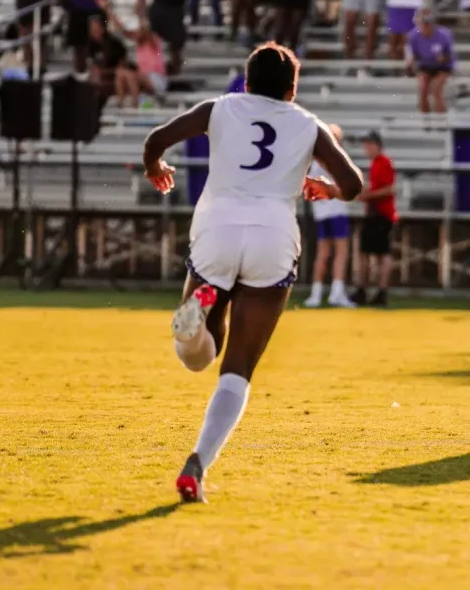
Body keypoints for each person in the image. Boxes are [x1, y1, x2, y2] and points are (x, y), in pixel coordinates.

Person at [141, 42, 364, 503]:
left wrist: (155, 168)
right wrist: (328, 190)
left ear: (246, 82)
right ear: (292, 90)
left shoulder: (219, 108)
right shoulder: (307, 123)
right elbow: (354, 183)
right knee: (237, 367)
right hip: (273, 237)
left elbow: (156, 139)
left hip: (217, 228)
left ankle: (195, 321)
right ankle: (197, 464)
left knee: (195, 356)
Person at [303, 129, 356, 308]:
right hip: (336, 210)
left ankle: (316, 294)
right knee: (340, 252)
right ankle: (336, 292)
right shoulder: (335, 161)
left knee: (323, 253)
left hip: (320, 212)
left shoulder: (314, 162)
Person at [352, 131, 396, 307]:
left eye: (369, 144)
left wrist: (368, 195)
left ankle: (378, 290)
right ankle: (367, 289)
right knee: (370, 253)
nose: (366, 148)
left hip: (381, 213)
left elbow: (389, 189)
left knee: (379, 254)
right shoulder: (377, 163)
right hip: (375, 213)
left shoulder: (383, 162)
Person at [100, 0, 169, 106]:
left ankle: (135, 106)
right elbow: (121, 29)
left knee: (129, 75)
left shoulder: (153, 40)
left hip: (157, 79)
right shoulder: (138, 41)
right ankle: (121, 104)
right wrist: (108, 10)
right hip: (144, 78)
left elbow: (145, 30)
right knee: (120, 73)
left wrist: (141, 12)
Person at [406, 7, 455, 114]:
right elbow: (414, 55)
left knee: (436, 89)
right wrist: (411, 64)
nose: (425, 26)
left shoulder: (444, 35)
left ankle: (441, 120)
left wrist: (443, 58)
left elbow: (450, 56)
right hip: (425, 66)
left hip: (443, 67)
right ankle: (426, 121)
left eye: (427, 23)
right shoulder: (413, 36)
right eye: (422, 23)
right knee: (423, 89)